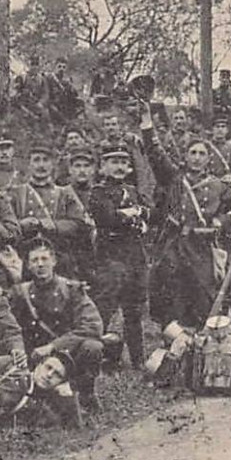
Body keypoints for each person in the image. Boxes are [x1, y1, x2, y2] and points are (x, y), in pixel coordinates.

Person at [9, 237, 105, 411]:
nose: (40, 264)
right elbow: (8, 326)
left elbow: (93, 325)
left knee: (93, 347)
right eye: (34, 260)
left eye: (44, 259)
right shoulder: (20, 292)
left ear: (54, 261)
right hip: (35, 356)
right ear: (28, 266)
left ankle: (84, 394)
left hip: (66, 353)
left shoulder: (71, 289)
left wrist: (53, 346)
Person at [86, 146, 151, 365]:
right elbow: (107, 217)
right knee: (104, 309)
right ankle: (94, 356)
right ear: (103, 167)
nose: (119, 166)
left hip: (134, 258)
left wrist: (136, 214)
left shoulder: (132, 190)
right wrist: (132, 214)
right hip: (110, 258)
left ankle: (138, 359)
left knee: (133, 311)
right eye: (113, 162)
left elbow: (149, 213)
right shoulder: (98, 192)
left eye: (123, 162)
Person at [12, 144, 91, 278]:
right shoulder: (16, 193)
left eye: (45, 160)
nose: (41, 165)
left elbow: (79, 223)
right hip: (25, 257)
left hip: (59, 257)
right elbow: (7, 224)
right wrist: (21, 224)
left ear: (53, 164)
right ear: (29, 165)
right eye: (36, 160)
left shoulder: (65, 193)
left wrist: (52, 225)